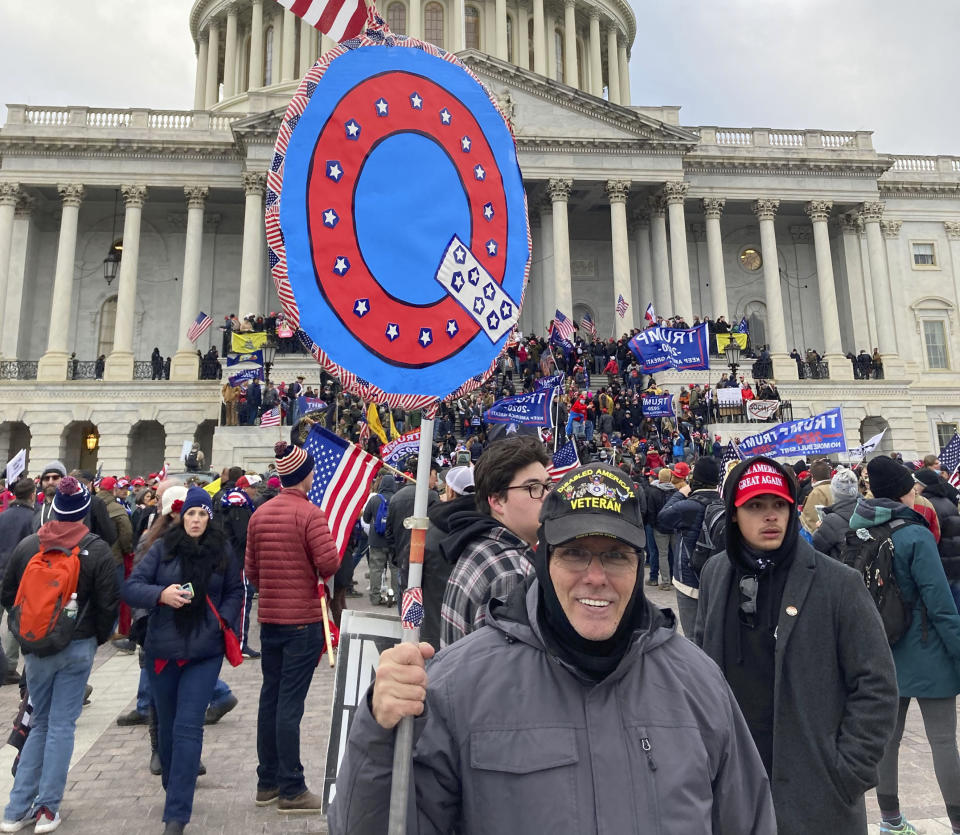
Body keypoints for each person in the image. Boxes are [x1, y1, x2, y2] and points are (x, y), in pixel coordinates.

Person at [329, 463, 776, 833]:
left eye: (616, 555)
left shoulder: (697, 682)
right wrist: (378, 733)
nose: (596, 577)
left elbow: (748, 819)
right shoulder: (457, 684)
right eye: (576, 553)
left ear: (639, 564)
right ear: (544, 560)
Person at [694, 456, 899, 834]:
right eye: (755, 506)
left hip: (816, 795)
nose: (769, 516)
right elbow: (700, 671)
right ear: (735, 514)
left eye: (778, 505)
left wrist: (848, 772)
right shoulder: (716, 573)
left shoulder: (839, 584)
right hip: (733, 787)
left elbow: (877, 685)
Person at [0, 477, 118, 834]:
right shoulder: (95, 549)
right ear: (83, 511)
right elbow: (109, 603)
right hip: (77, 645)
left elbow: (8, 594)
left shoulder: (29, 546)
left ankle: (15, 809)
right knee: (61, 726)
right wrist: (94, 638)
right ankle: (47, 808)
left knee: (39, 722)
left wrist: (27, 632)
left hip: (35, 649)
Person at [123, 486, 243, 835]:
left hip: (204, 651)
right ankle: (173, 784)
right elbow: (132, 587)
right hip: (163, 650)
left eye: (202, 514)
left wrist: (223, 620)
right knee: (169, 728)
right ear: (181, 515)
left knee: (189, 727)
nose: (195, 519)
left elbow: (236, 589)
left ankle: (176, 814)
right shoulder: (162, 547)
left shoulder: (221, 550)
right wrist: (160, 594)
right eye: (191, 513)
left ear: (210, 517)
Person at [854, 456, 960, 835]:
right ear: (901, 491)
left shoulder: (858, 529)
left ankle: (890, 820)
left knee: (888, 741)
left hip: (880, 649)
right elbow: (941, 606)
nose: (917, 490)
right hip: (927, 647)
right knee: (944, 742)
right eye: (912, 486)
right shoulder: (914, 535)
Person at [244, 441, 340, 814]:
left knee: (271, 699)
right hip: (301, 619)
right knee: (289, 705)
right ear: (305, 476)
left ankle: (266, 781)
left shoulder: (259, 514)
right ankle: (291, 787)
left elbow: (251, 571)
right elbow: (328, 563)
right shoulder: (310, 514)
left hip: (269, 620)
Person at [439, 436, 549, 647]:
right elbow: (514, 673)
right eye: (533, 487)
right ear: (497, 500)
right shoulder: (511, 574)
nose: (546, 496)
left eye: (547, 485)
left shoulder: (481, 546)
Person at [656, 456, 722, 636]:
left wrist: (681, 492)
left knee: (693, 635)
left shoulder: (688, 505)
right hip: (716, 578)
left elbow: (662, 519)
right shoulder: (724, 504)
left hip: (688, 580)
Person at [420, 465, 474, 651]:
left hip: (434, 634)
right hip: (477, 641)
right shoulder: (493, 527)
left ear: (450, 491)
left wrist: (410, 627)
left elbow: (409, 584)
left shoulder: (428, 531)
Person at [0, 477, 38, 683]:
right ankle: (9, 665)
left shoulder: (3, 515)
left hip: (0, 571)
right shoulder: (33, 518)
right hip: (18, 577)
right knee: (14, 622)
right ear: (32, 494)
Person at [360, 472, 399, 606]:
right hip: (393, 541)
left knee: (376, 569)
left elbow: (365, 518)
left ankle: (375, 597)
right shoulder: (397, 498)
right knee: (395, 569)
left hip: (376, 541)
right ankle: (396, 596)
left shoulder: (374, 499)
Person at [811, 466, 862, 560]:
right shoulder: (868, 509)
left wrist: (818, 529)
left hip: (843, 569)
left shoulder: (832, 520)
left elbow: (814, 547)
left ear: (834, 493)